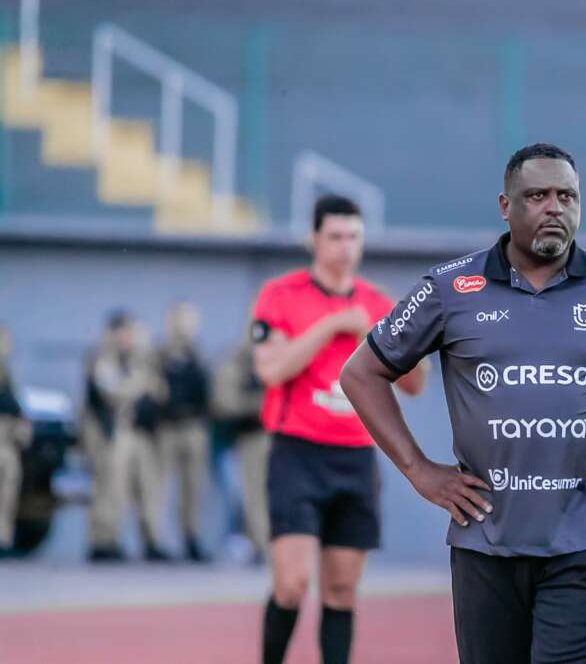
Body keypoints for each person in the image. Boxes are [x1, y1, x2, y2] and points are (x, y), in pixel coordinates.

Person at [341, 143, 586, 664]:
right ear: (506, 205)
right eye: (537, 195)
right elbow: (362, 372)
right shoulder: (450, 288)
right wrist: (419, 470)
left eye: (567, 196)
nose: (554, 207)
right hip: (486, 541)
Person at [252, 195, 429, 664]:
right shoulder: (281, 294)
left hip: (355, 455)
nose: (345, 247)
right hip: (297, 453)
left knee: (342, 589)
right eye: (335, 236)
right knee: (291, 584)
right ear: (314, 239)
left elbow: (415, 384)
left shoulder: (378, 304)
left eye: (353, 236)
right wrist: (333, 326)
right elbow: (270, 370)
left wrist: (380, 338)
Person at [83, 312, 172, 562]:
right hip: (112, 433)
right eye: (124, 332)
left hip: (140, 432)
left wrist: (139, 379)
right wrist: (139, 385)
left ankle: (152, 541)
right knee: (110, 488)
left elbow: (160, 392)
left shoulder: (141, 361)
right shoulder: (101, 357)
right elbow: (112, 391)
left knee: (148, 488)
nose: (128, 338)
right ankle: (103, 541)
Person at [157, 301, 211, 562]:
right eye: (182, 319)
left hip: (194, 426)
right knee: (162, 486)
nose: (187, 326)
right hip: (168, 427)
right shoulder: (160, 354)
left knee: (193, 487)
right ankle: (160, 540)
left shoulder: (198, 355)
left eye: (191, 320)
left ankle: (191, 538)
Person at [211, 335, 269, 562]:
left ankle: (265, 545)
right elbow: (224, 402)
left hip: (277, 438)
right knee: (248, 497)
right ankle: (260, 545)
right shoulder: (235, 360)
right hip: (243, 440)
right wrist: (261, 403)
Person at [0, 325, 32, 559]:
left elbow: (14, 407)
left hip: (6, 441)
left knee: (7, 493)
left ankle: (3, 538)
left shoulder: (6, 373)